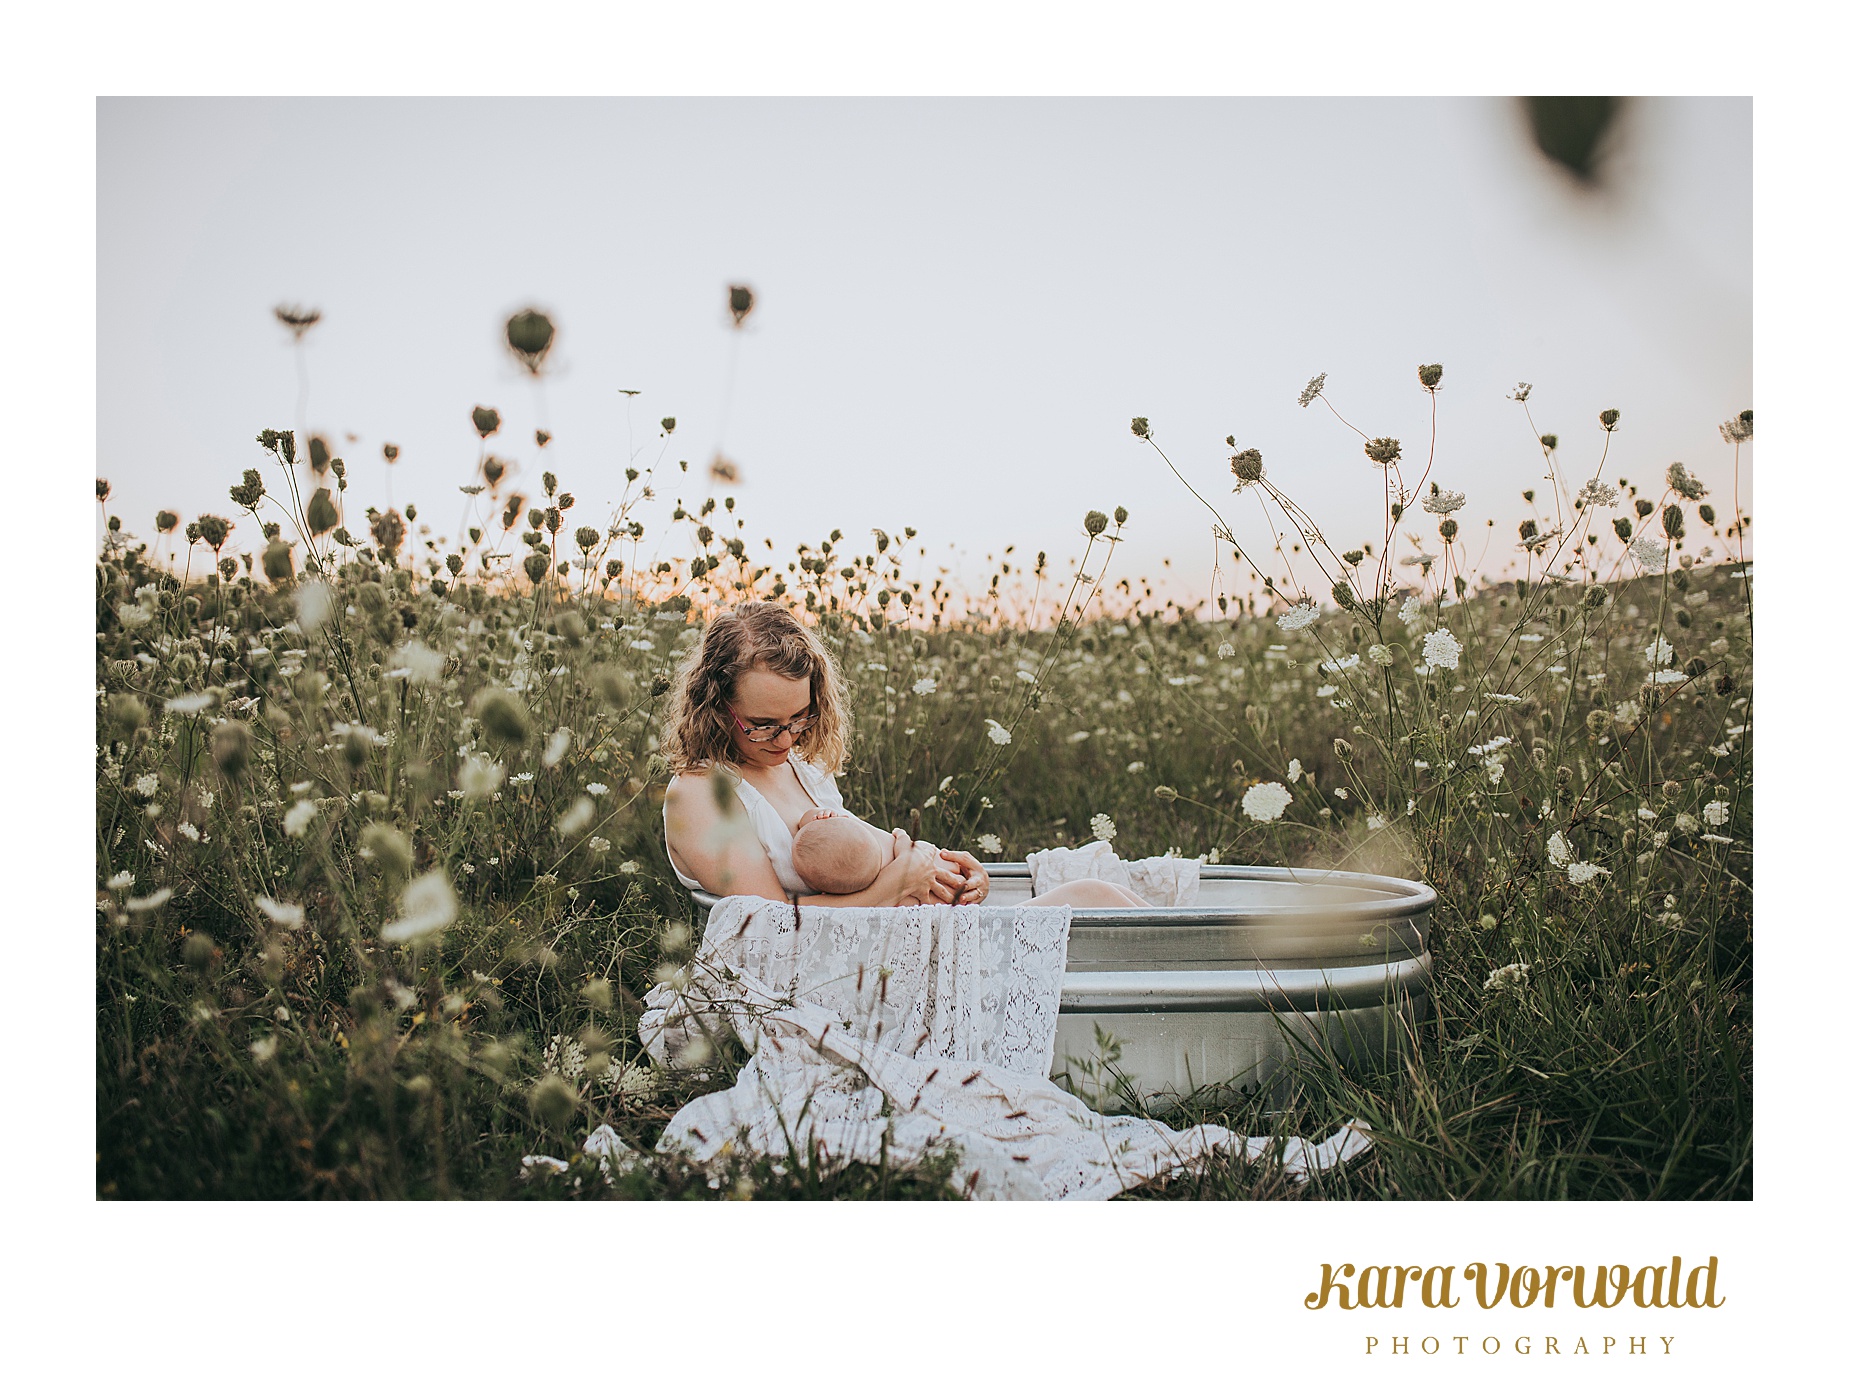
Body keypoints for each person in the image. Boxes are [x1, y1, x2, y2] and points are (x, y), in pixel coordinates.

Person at [660, 601, 1146, 909]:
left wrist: (949, 869)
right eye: (763, 725)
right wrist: (891, 889)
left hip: (886, 940)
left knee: (1106, 894)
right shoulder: (700, 794)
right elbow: (770, 930)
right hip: (840, 973)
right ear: (717, 707)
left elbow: (881, 849)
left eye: (800, 718)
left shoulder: (800, 770)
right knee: (1094, 899)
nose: (786, 740)